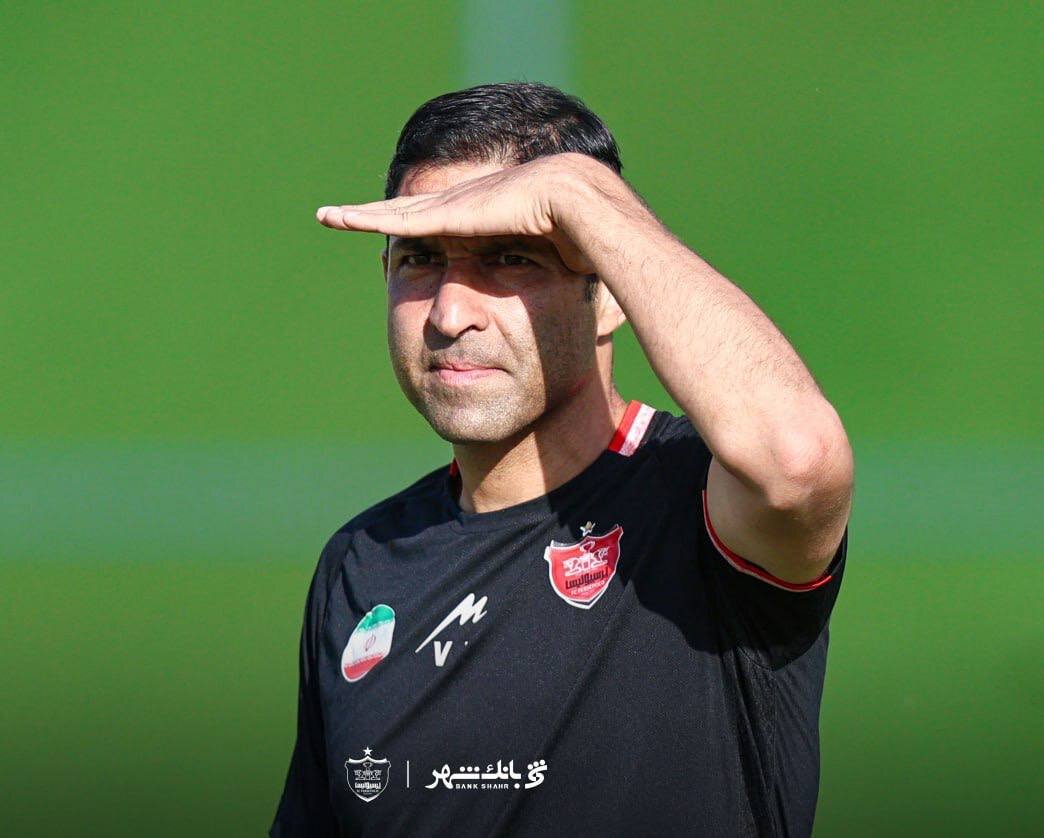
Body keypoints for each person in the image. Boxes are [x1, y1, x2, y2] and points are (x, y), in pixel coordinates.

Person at [269, 81, 853, 837]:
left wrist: (578, 194)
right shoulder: (361, 564)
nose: (450, 313)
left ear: (610, 296)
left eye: (512, 258)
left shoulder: (697, 498)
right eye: (420, 259)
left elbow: (798, 460)